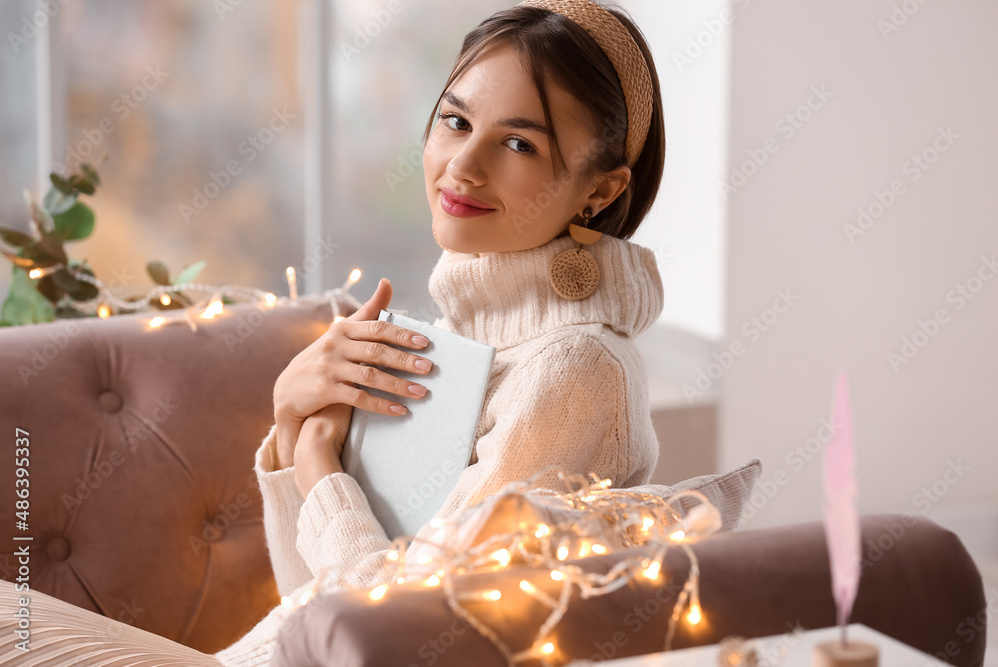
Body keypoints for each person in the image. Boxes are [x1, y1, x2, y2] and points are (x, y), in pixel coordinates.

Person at [0, 1, 666, 664]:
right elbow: (315, 605)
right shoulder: (459, 339)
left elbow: (411, 640)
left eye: (519, 142)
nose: (462, 164)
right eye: (455, 120)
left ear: (600, 192)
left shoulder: (575, 370)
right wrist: (296, 428)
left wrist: (321, 468)